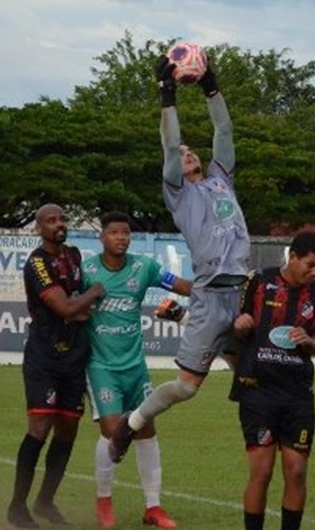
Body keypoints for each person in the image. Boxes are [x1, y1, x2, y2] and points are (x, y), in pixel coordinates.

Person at [109, 51, 251, 463]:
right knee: (187, 388)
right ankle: (130, 425)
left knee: (261, 370)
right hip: (209, 296)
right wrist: (167, 96)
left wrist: (211, 87)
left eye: (192, 150)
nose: (187, 152)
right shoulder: (179, 194)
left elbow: (223, 128)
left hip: (241, 292)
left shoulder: (222, 179)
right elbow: (170, 146)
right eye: (183, 152)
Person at [83, 211, 192, 529]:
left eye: (126, 233)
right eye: (114, 232)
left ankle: (153, 508)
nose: (121, 238)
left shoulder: (144, 267)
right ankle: (104, 501)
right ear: (102, 237)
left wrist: (212, 288)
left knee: (146, 430)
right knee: (113, 431)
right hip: (100, 366)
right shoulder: (87, 271)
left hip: (135, 367)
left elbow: (180, 285)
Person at [7, 203, 106, 528]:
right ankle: (17, 507)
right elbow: (64, 307)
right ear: (38, 227)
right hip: (45, 356)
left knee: (68, 428)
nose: (59, 224)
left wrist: (78, 306)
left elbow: (76, 309)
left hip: (75, 355)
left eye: (62, 219)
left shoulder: (74, 255)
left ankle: (45, 502)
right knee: (40, 427)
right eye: (51, 221)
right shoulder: (37, 263)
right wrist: (90, 294)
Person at [230, 231, 315, 530]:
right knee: (261, 472)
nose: (314, 272)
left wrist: (307, 342)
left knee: (296, 471)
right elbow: (237, 328)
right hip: (258, 390)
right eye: (310, 265)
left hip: (298, 394)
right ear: (293, 256)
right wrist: (241, 325)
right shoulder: (259, 281)